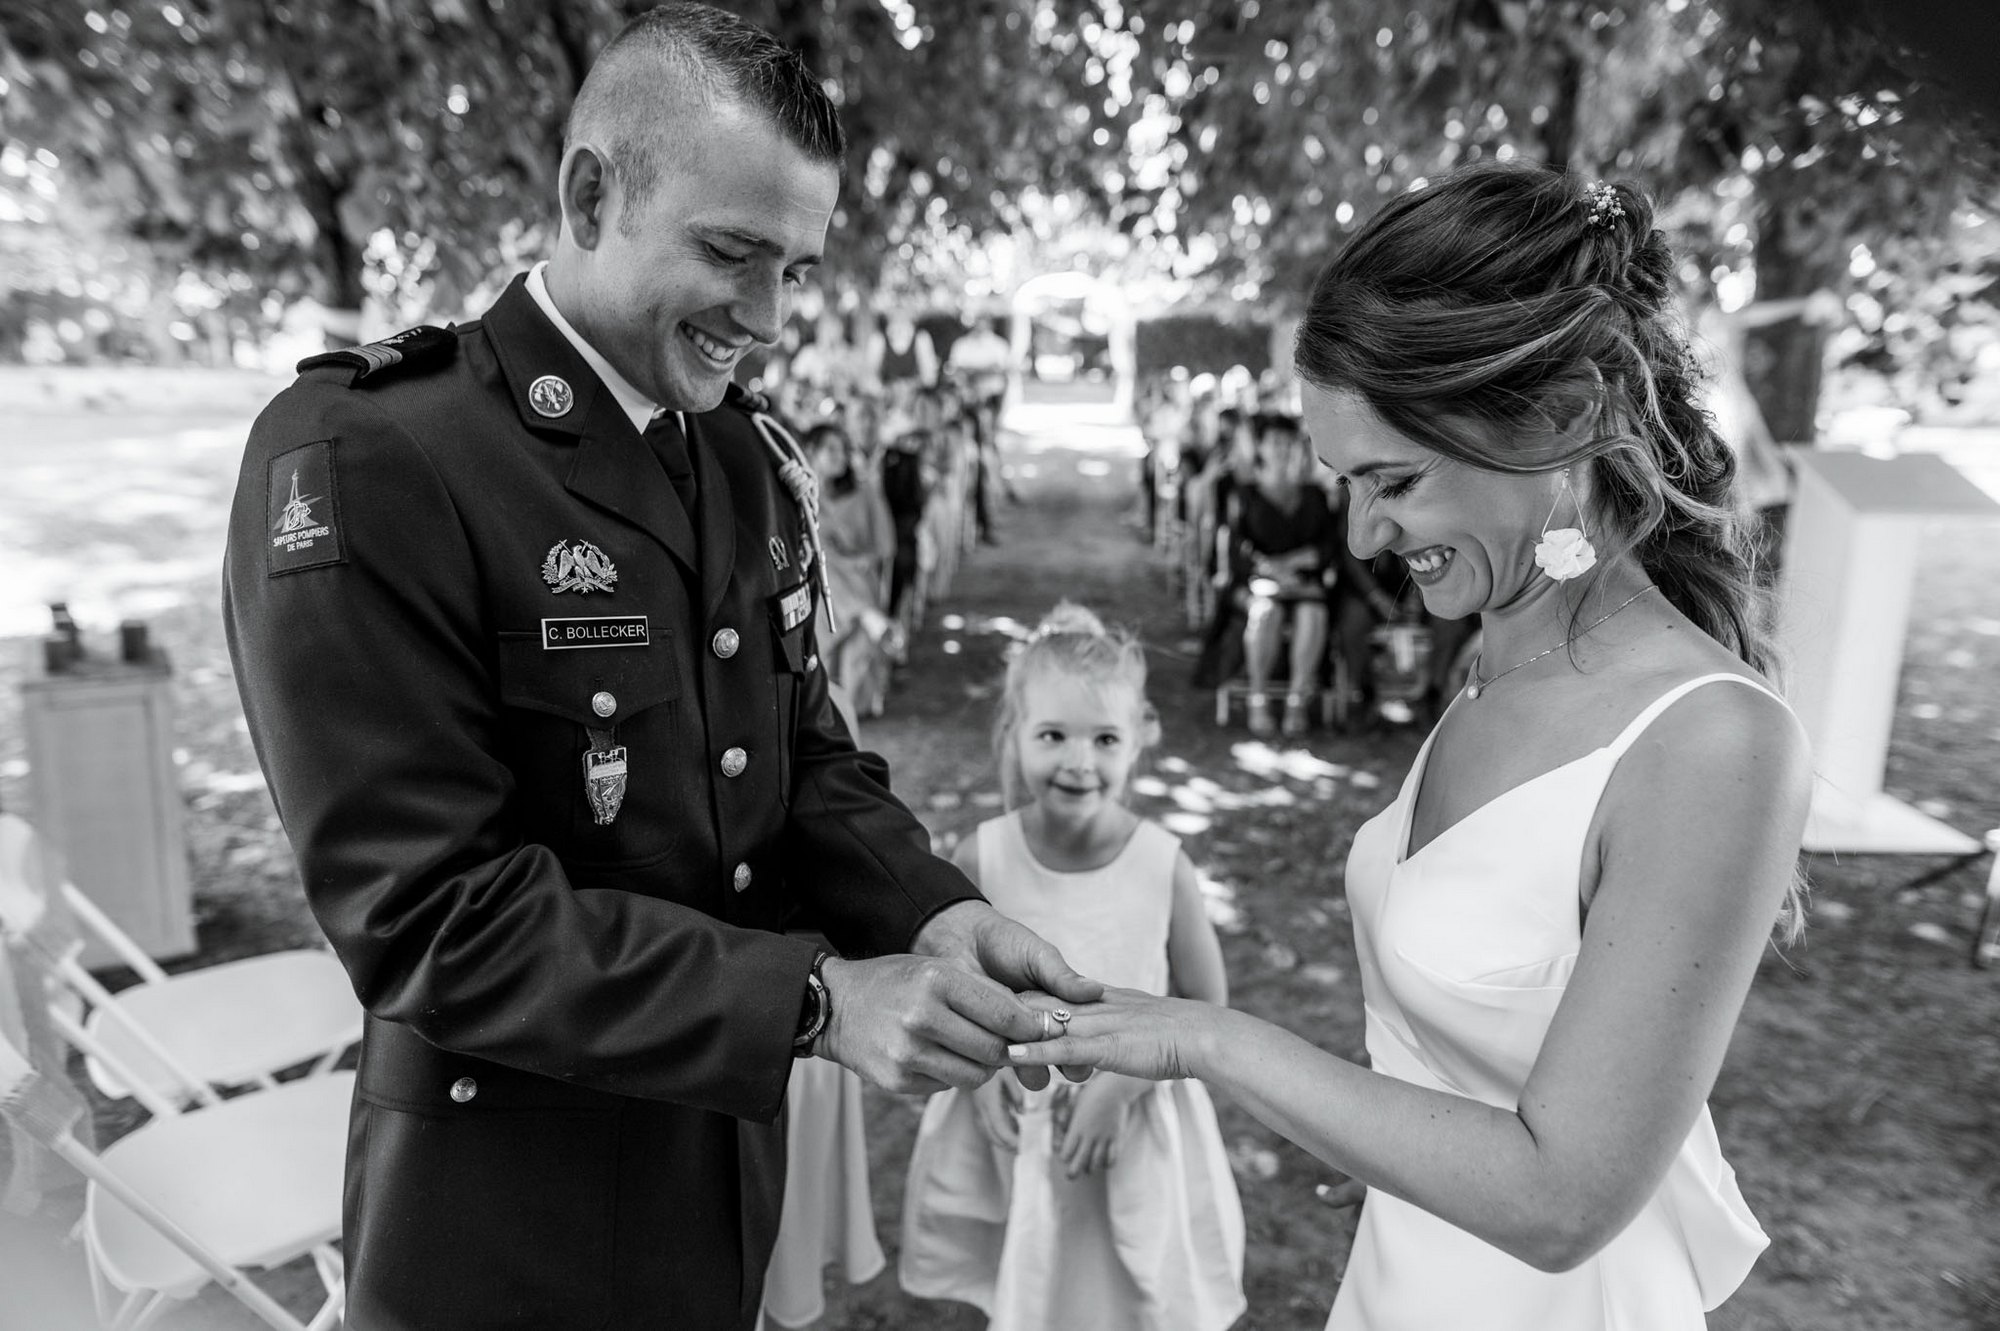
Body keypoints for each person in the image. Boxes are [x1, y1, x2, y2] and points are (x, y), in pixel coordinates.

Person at [222, 8, 1096, 1329]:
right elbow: (432, 914)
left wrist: (925, 907)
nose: (765, 316)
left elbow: (798, 757)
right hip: (505, 1222)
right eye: (732, 253)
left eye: (793, 268)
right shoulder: (370, 457)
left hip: (711, 1178)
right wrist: (816, 997)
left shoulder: (733, 453)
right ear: (589, 192)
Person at [1008, 163, 1813, 1330]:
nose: (1362, 532)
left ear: (1563, 416)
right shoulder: (1498, 645)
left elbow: (1559, 1196)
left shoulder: (1711, 743)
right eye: (1345, 480)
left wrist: (1200, 1033)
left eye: (1392, 480)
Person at [900, 603, 1245, 1331]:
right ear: (1014, 733)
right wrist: (980, 1077)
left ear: (1138, 740)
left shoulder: (1163, 866)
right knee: (1031, 1281)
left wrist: (1118, 1092)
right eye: (1052, 734)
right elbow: (953, 988)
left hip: (1131, 1116)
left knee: (1124, 1288)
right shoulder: (981, 855)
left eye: (1104, 738)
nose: (1078, 761)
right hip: (1015, 1116)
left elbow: (1211, 1009)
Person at [1222, 413, 1340, 737]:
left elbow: (1328, 547)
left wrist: (1289, 565)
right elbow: (1237, 551)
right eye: (1274, 441)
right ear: (1260, 446)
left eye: (1288, 441)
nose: (1282, 448)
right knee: (1265, 612)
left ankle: (1296, 703)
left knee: (1313, 613)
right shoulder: (1244, 494)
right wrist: (1272, 569)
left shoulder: (1314, 495)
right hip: (1254, 585)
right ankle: (1258, 700)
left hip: (1304, 585)